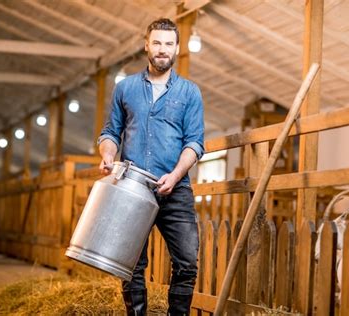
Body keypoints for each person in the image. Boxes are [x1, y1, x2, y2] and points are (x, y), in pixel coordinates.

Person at [98, 18, 204, 315]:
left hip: (176, 189)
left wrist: (176, 174)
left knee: (187, 262)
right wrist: (108, 154)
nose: (162, 50)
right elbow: (110, 132)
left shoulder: (189, 93)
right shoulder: (126, 89)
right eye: (156, 43)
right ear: (147, 45)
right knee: (131, 262)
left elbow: (195, 142)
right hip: (132, 186)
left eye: (168, 44)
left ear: (177, 49)